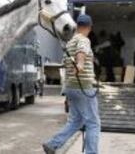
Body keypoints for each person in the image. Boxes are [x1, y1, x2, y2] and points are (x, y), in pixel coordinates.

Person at [42, 14, 100, 154]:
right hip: (83, 87)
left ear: (77, 26)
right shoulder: (83, 40)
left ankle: (52, 144)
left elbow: (68, 64)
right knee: (93, 123)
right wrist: (80, 64)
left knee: (75, 121)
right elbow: (82, 51)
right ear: (89, 27)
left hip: (71, 87)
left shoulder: (70, 42)